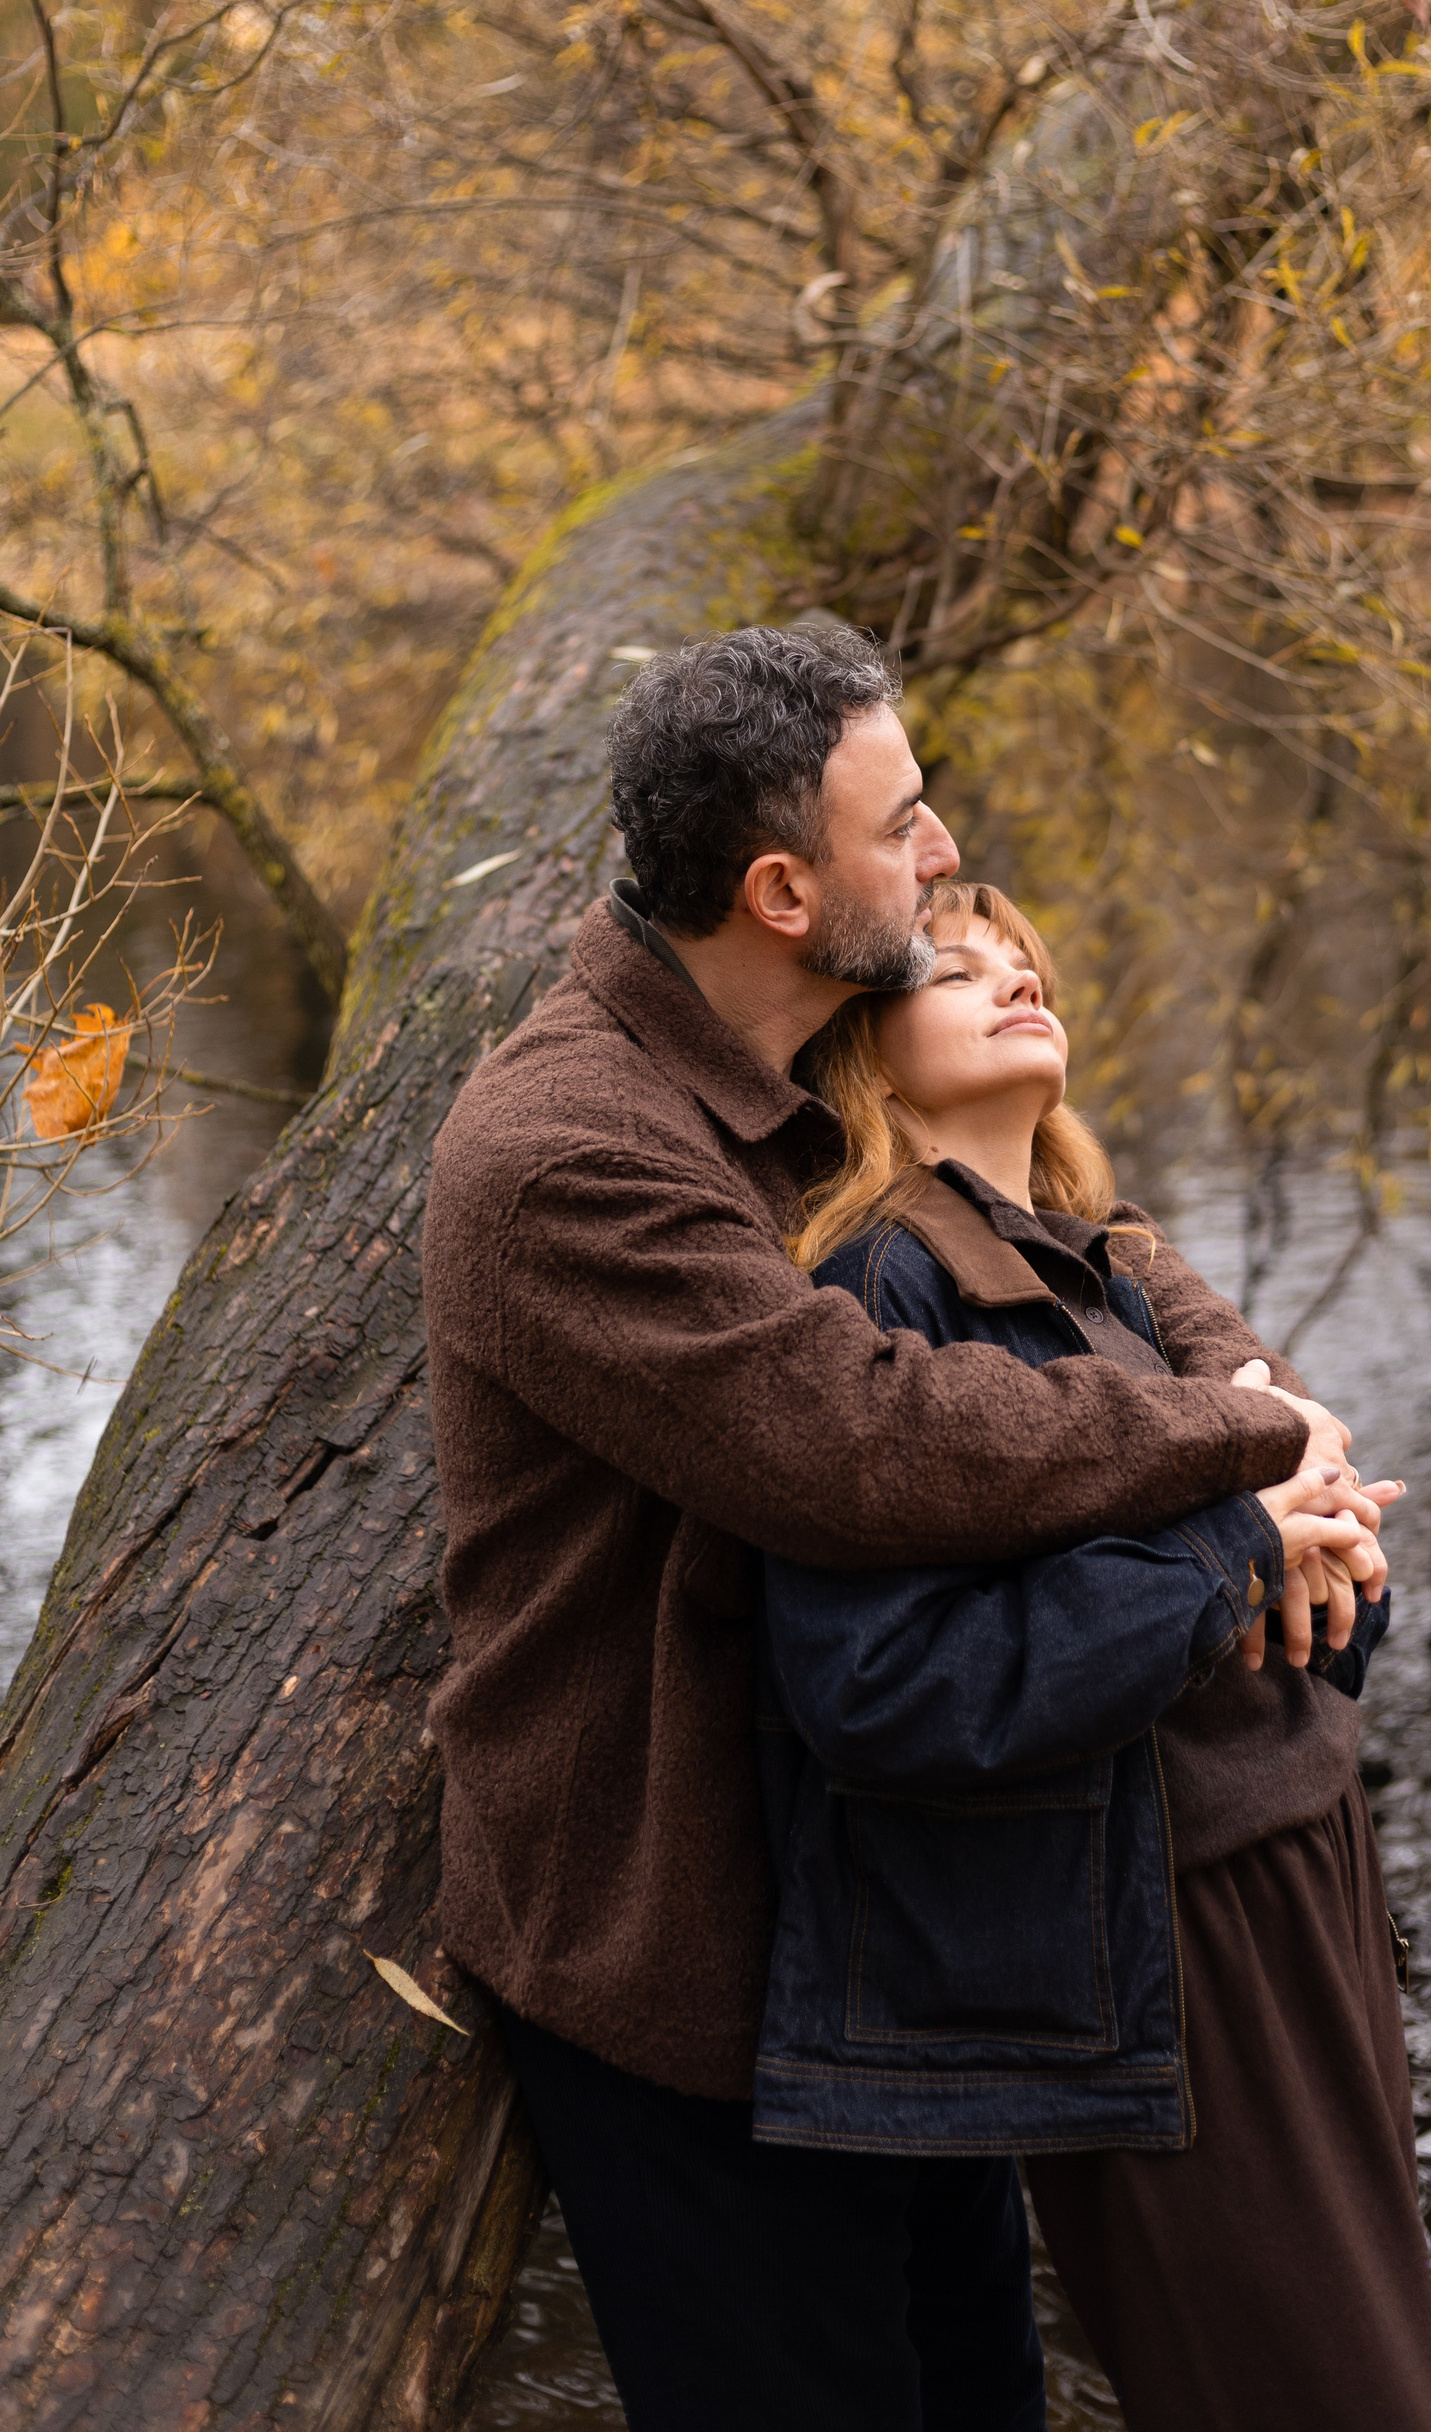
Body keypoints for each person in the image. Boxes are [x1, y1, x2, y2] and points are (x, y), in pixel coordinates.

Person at [421, 623, 1357, 2432]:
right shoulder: (566, 1152)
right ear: (782, 893)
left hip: (901, 1913)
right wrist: (1235, 1452)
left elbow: (1095, 1227)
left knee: (983, 2393)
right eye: (904, 821)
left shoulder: (815, 1021)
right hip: (690, 1951)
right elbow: (858, 1441)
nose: (944, 853)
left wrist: (1263, 1405)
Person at [755, 880, 1431, 2432]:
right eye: (958, 969)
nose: (1017, 982)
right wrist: (1234, 1552)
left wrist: (1327, 1552)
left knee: (1387, 2365)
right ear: (862, 1040)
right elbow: (890, 1686)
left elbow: (1290, 1557)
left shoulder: (1106, 1261)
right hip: (1167, 1925)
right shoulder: (883, 1284)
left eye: (1027, 964)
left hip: (1308, 1868)